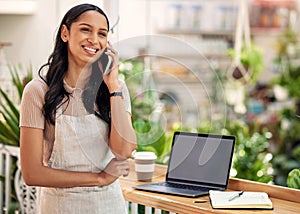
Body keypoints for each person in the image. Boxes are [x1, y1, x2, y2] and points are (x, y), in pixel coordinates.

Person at [19, 3, 137, 213]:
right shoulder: (37, 91)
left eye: (102, 33)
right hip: (59, 206)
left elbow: (124, 149)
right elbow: (32, 173)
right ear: (65, 33)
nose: (94, 39)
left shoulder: (115, 89)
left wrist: (113, 87)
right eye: (85, 29)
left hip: (108, 205)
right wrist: (100, 178)